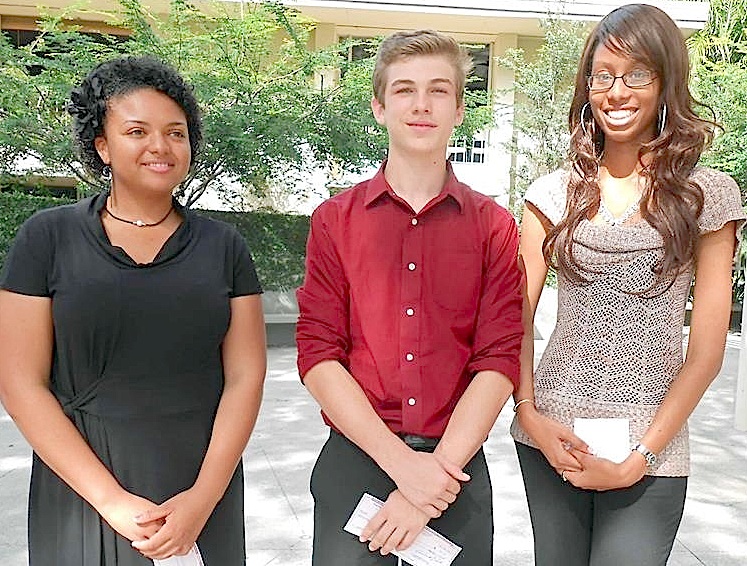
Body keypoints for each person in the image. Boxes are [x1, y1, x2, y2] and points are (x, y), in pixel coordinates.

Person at [0, 56, 266, 565]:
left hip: (200, 481)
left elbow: (246, 376)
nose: (160, 147)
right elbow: (19, 382)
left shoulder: (223, 246)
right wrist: (111, 501)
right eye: (137, 131)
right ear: (102, 145)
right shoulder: (47, 238)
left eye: (176, 132)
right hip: (83, 487)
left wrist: (203, 498)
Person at [510, 4, 746, 566]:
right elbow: (510, 320)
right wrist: (530, 416)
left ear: (665, 82)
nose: (617, 92)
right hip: (552, 436)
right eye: (603, 76)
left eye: (637, 74)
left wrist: (642, 453)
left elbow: (707, 351)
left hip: (652, 448)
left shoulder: (707, 195)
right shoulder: (550, 193)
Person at [296, 29, 524, 565]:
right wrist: (406, 470)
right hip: (359, 457)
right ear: (379, 106)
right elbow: (318, 356)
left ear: (460, 109)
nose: (421, 105)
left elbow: (498, 360)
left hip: (456, 466)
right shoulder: (336, 222)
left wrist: (433, 478)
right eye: (403, 90)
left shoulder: (493, 228)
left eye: (438, 90)